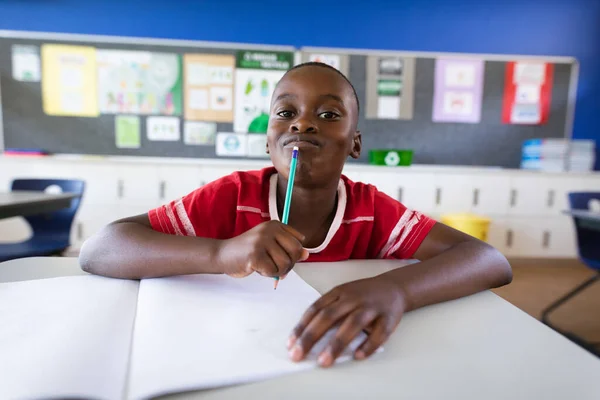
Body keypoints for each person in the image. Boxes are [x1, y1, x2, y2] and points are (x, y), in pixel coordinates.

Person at [79, 62, 512, 368]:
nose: (303, 125)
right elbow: (100, 250)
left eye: (328, 115)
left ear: (355, 144)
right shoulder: (231, 198)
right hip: (230, 358)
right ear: (267, 141)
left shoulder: (370, 211)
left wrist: (395, 290)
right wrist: (221, 254)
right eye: (286, 113)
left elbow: (490, 260)